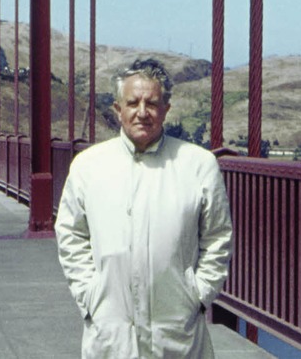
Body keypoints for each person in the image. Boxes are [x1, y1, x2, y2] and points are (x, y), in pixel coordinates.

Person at [54, 58, 233, 358]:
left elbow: (218, 237)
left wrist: (198, 295)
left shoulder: (198, 165)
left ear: (166, 109)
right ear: (117, 109)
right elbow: (70, 234)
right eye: (133, 102)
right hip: (111, 326)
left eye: (152, 103)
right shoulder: (88, 166)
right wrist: (89, 295)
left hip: (176, 327)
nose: (142, 112)